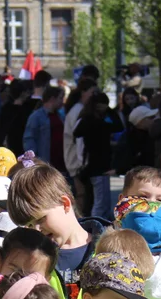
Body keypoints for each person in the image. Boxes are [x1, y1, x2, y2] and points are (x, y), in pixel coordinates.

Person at [7, 164, 110, 299]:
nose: (36, 229)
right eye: (29, 225)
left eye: (41, 219)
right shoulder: (29, 260)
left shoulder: (110, 247)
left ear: (65, 203)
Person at [74, 93, 125, 221]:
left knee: (101, 201)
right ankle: (95, 224)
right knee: (100, 202)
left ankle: (98, 223)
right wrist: (110, 111)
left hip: (97, 166)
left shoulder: (87, 120)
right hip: (97, 166)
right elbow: (119, 126)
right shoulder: (95, 123)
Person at [64, 78, 99, 215]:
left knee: (82, 194)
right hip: (76, 161)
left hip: (77, 160)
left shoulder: (78, 109)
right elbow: (78, 139)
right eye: (92, 93)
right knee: (81, 195)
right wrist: (81, 163)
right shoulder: (78, 111)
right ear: (83, 92)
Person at [22, 86, 65, 166]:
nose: (62, 102)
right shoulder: (36, 116)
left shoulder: (61, 116)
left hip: (61, 162)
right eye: (60, 98)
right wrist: (34, 160)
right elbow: (29, 139)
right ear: (52, 99)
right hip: (45, 160)